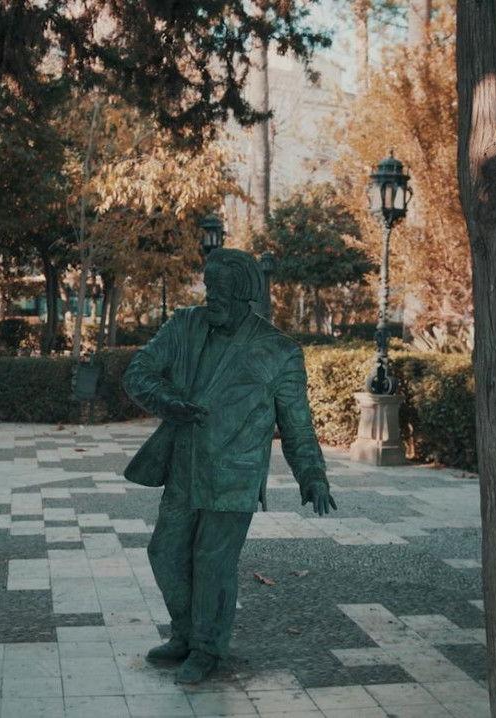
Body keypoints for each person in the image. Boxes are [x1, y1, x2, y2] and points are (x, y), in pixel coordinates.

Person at [122, 247, 337, 684]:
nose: (209, 299)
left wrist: (312, 475)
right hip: (184, 467)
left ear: (245, 295)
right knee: (164, 552)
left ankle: (207, 647)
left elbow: (297, 423)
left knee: (213, 564)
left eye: (220, 293)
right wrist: (167, 403)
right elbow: (138, 372)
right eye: (208, 289)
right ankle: (183, 634)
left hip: (235, 476)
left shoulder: (279, 352)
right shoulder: (183, 325)